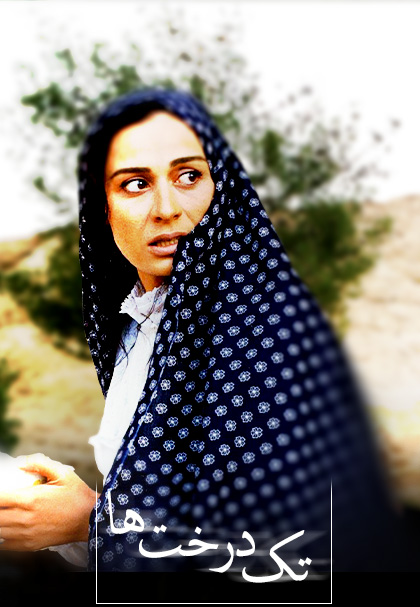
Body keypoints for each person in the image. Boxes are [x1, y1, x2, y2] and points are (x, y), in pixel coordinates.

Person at [0, 88, 415, 576]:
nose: (167, 208)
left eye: (189, 176)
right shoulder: (141, 327)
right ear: (102, 207)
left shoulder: (265, 337)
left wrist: (90, 523)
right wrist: (56, 510)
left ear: (221, 186)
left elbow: (291, 553)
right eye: (135, 183)